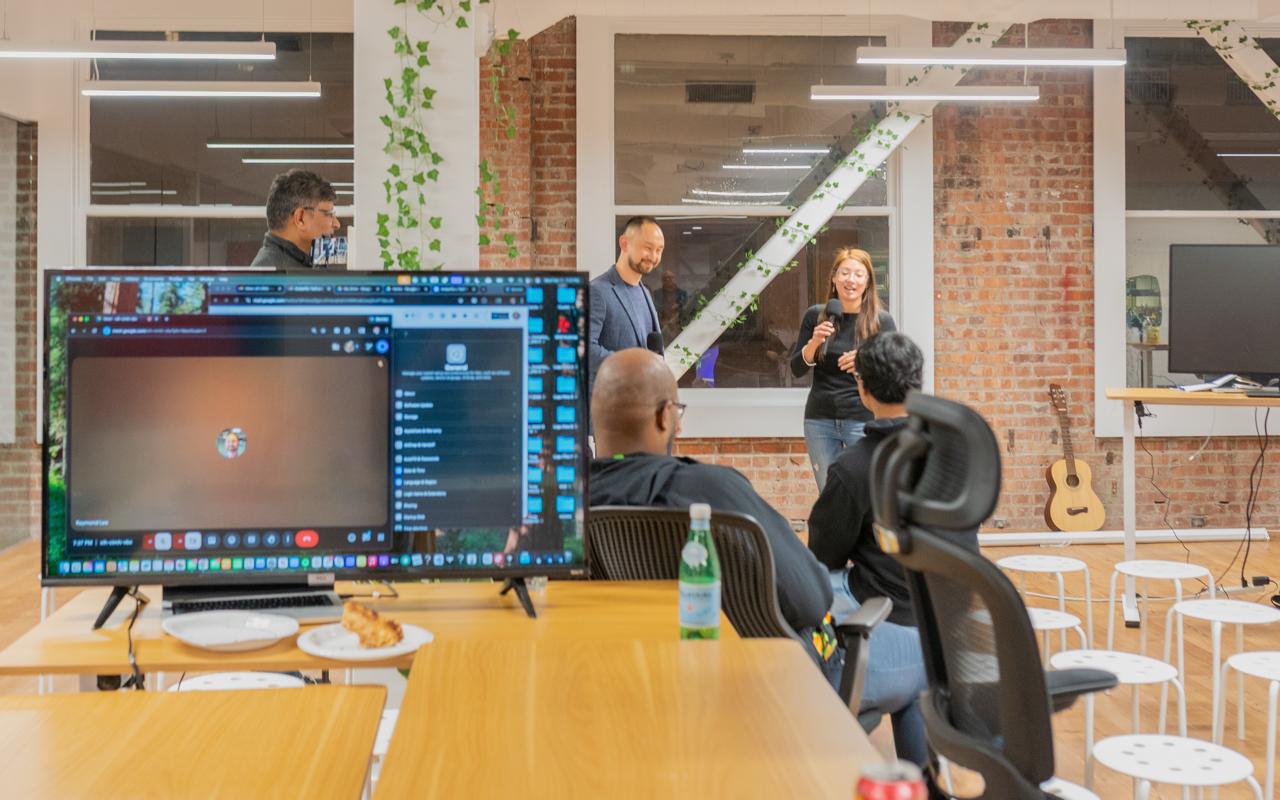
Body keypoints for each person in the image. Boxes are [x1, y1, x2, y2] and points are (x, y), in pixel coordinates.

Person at [589, 348, 835, 661]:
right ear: (665, 417)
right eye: (678, 410)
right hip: (762, 682)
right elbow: (812, 598)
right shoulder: (714, 491)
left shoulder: (565, 510)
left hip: (644, 676)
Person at [807, 331, 977, 768]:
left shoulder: (854, 467)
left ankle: (842, 722)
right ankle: (920, 774)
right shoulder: (956, 455)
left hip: (890, 651)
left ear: (861, 388)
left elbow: (822, 557)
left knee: (809, 591)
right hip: (953, 646)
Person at [791, 247, 896, 491]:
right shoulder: (816, 316)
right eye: (845, 273)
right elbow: (796, 369)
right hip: (820, 420)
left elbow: (894, 373)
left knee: (868, 493)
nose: (851, 280)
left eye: (858, 274)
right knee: (830, 496)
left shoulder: (881, 321)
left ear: (868, 281)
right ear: (834, 278)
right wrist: (814, 343)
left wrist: (866, 360)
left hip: (863, 420)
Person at [588, 216, 664, 395]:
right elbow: (584, 349)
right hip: (612, 410)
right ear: (624, 243)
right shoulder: (597, 291)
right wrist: (633, 366)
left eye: (659, 250)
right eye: (648, 248)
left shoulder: (645, 292)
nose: (653, 257)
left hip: (643, 406)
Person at [250, 169, 342, 270]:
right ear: (300, 218)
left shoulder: (299, 264)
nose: (337, 224)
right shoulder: (270, 276)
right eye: (329, 214)